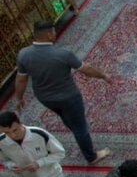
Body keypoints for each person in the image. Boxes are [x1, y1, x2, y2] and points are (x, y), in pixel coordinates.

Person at [13, 21, 109, 164]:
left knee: (67, 118)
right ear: (48, 34)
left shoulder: (24, 54)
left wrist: (19, 98)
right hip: (69, 97)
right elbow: (86, 70)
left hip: (45, 98)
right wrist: (103, 75)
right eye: (53, 31)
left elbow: (21, 80)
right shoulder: (63, 54)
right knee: (80, 127)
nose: (55, 34)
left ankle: (72, 124)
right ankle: (92, 156)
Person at [0, 111, 84, 177]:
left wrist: (39, 163)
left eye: (15, 130)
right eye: (7, 133)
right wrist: (11, 165)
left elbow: (60, 153)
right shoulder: (2, 142)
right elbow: (3, 160)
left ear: (20, 123)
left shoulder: (39, 134)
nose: (12, 135)